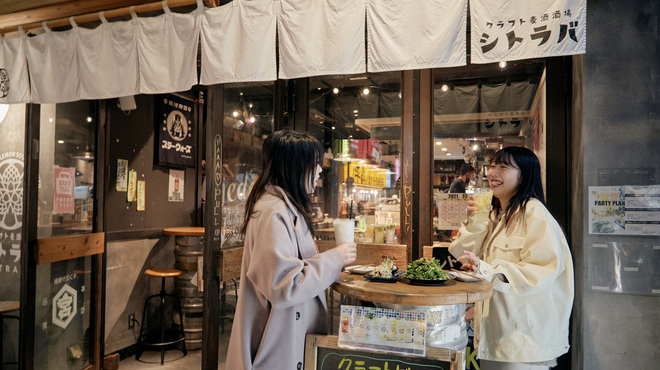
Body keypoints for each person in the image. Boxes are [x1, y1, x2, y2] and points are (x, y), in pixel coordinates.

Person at [225, 129, 357, 370]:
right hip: (274, 349)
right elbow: (285, 285)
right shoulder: (274, 212)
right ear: (296, 166)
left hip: (284, 339)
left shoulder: (284, 208)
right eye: (315, 164)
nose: (320, 171)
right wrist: (335, 258)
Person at [449, 146, 574, 370]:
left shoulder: (534, 213)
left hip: (523, 341)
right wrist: (476, 219)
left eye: (504, 167)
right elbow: (460, 253)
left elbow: (541, 271)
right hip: (495, 337)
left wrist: (486, 269)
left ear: (523, 176)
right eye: (493, 166)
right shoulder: (497, 215)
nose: (492, 172)